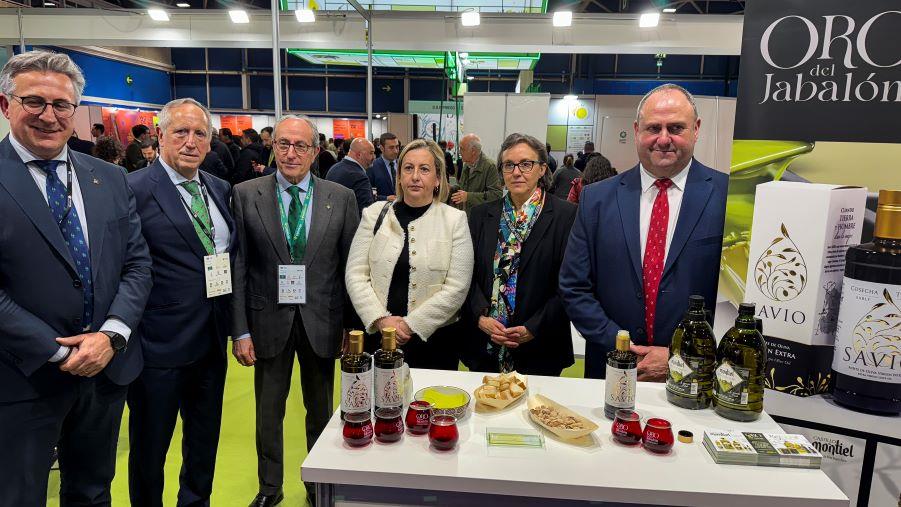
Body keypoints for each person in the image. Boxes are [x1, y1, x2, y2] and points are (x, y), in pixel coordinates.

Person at [0, 49, 152, 506]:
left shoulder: (109, 177)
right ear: (6, 105)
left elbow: (136, 264)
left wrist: (111, 335)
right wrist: (56, 351)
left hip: (105, 371)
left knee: (92, 492)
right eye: (34, 102)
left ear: (75, 110)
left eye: (61, 105)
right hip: (22, 376)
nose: (49, 116)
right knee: (18, 494)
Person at [231, 115, 359, 507]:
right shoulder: (245, 194)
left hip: (323, 320)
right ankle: (270, 488)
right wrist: (240, 330)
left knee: (320, 412)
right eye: (283, 144)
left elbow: (351, 268)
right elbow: (239, 266)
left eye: (300, 145)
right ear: (273, 147)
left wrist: (350, 328)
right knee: (268, 413)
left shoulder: (341, 197)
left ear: (315, 151)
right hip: (267, 320)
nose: (291, 153)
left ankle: (319, 487)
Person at [559, 83, 727, 380]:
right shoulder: (596, 199)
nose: (663, 139)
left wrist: (679, 355)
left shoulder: (728, 198)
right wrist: (623, 347)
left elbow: (731, 302)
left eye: (676, 128)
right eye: (653, 128)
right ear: (637, 130)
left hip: (695, 377)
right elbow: (574, 286)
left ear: (696, 129)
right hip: (611, 369)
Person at [126, 98, 235, 507]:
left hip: (211, 341)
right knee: (150, 449)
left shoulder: (219, 188)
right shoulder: (134, 189)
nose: (191, 142)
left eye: (200, 133)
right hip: (158, 347)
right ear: (160, 136)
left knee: (204, 441)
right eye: (181, 132)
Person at [346, 139, 473, 370]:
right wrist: (381, 319)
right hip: (379, 338)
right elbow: (355, 274)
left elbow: (458, 286)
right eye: (408, 168)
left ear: (437, 178)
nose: (415, 176)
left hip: (435, 343)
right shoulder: (374, 215)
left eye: (424, 169)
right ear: (399, 177)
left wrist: (410, 325)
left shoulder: (455, 220)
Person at [464, 134, 576, 376]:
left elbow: (569, 284)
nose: (516, 172)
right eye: (509, 165)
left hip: (540, 344)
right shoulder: (481, 215)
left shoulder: (566, 216)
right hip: (486, 343)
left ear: (542, 169)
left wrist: (533, 327)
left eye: (526, 164)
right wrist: (480, 316)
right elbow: (466, 275)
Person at [452, 133, 503, 214]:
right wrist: (451, 188)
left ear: (473, 151)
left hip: (483, 217)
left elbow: (496, 195)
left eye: (462, 149)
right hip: (468, 214)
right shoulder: (467, 165)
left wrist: (468, 196)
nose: (459, 152)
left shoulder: (490, 167)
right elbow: (463, 187)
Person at [325, 137, 376, 215]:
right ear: (359, 155)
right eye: (371, 153)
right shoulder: (359, 176)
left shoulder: (334, 168)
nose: (374, 157)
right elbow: (366, 212)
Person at [367, 132, 400, 202]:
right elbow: (369, 194)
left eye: (397, 147)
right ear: (382, 148)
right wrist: (386, 198)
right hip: (382, 206)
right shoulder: (372, 167)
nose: (395, 151)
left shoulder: (402, 164)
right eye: (391, 148)